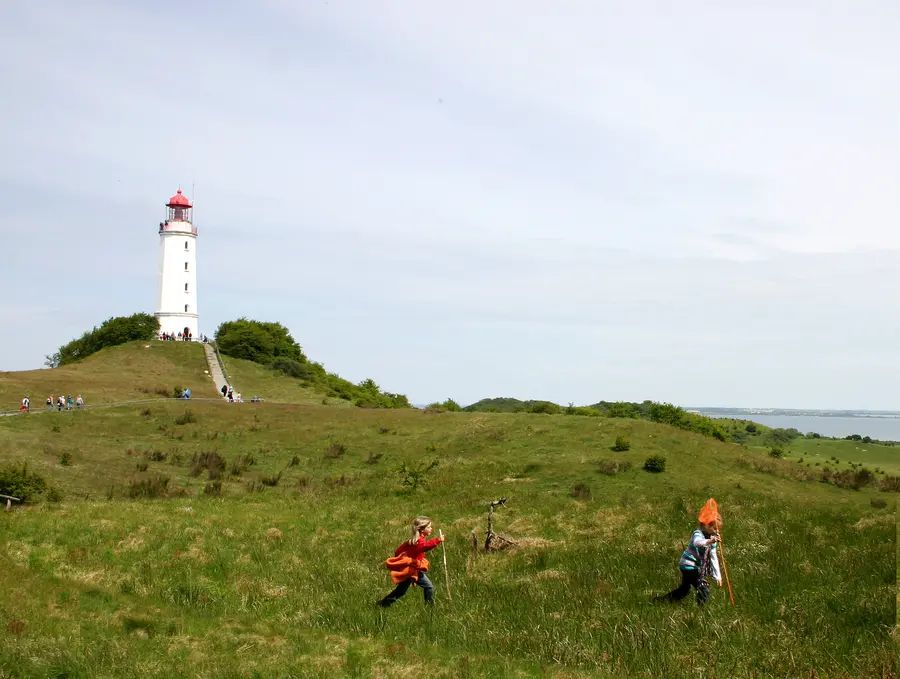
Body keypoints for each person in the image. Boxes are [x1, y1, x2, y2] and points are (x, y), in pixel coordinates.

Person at [377, 516, 445, 608]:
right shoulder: (419, 541)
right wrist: (438, 540)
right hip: (412, 569)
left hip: (410, 568)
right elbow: (425, 546)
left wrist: (401, 557)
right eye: (428, 527)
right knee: (429, 586)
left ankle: (382, 604)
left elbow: (398, 550)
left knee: (401, 591)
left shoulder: (413, 540)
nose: (431, 529)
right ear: (421, 529)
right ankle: (430, 608)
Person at [655, 521, 722, 606]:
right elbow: (697, 543)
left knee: (684, 589)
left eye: (718, 528)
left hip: (694, 566)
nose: (717, 531)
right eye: (715, 528)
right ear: (705, 526)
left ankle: (663, 601)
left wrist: (718, 576)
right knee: (703, 587)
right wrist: (710, 541)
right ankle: (701, 609)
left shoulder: (713, 538)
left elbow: (713, 556)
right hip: (688, 565)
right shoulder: (698, 533)